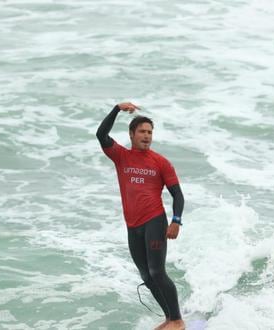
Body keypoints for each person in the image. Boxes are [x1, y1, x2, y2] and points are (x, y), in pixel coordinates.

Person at [96, 102, 185, 330]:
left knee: (157, 271)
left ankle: (177, 320)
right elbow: (101, 134)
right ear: (132, 134)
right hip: (132, 225)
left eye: (150, 132)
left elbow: (177, 195)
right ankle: (169, 318)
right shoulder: (121, 156)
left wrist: (176, 221)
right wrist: (116, 109)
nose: (147, 136)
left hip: (154, 221)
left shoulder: (161, 162)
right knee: (146, 275)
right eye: (142, 132)